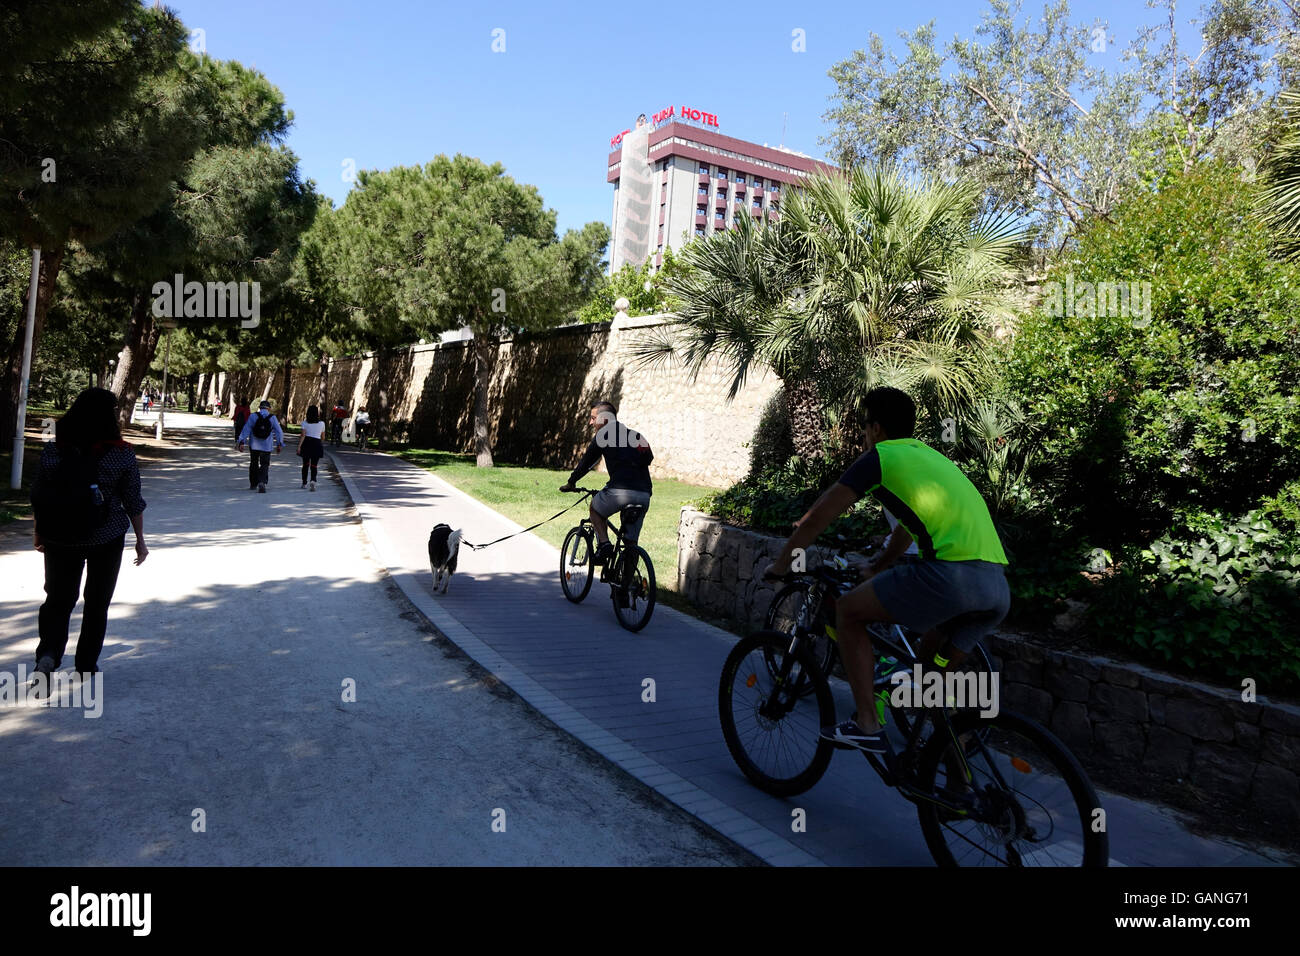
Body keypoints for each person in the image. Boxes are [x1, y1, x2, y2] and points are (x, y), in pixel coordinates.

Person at [764, 387, 1010, 755]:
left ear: (876, 428)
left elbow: (818, 518)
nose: (863, 436)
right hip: (996, 588)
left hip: (950, 578)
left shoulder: (879, 457)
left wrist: (781, 564)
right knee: (930, 685)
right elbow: (909, 526)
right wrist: (878, 565)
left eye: (864, 428)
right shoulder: (931, 457)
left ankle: (866, 722)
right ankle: (961, 785)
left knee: (847, 612)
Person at [29, 388, 148, 687]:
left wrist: (39, 531)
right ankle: (85, 666)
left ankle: (48, 654)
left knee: (57, 599)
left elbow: (39, 493)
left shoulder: (54, 448)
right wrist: (140, 540)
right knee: (97, 603)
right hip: (105, 537)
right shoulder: (121, 453)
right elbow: (133, 500)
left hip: (59, 536)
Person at [559, 401, 653, 569]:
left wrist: (571, 483)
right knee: (631, 544)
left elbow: (586, 464)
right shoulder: (637, 436)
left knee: (595, 509)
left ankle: (604, 544)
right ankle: (625, 589)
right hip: (644, 494)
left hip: (619, 492)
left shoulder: (602, 437)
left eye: (593, 418)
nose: (590, 423)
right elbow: (648, 458)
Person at [236, 399, 284, 492]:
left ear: (259, 408)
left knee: (254, 463)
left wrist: (242, 442)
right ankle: (262, 482)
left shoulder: (253, 416)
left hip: (254, 445)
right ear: (269, 408)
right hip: (266, 445)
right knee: (264, 464)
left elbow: (246, 429)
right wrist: (279, 444)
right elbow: (279, 432)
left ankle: (253, 483)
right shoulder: (272, 418)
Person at [297, 405, 326, 491]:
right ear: (317, 413)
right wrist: (320, 443)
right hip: (317, 443)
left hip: (306, 443)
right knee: (314, 465)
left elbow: (303, 436)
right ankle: (313, 480)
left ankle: (304, 483)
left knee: (305, 465)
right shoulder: (322, 423)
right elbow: (323, 437)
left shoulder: (304, 423)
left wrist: (299, 447)